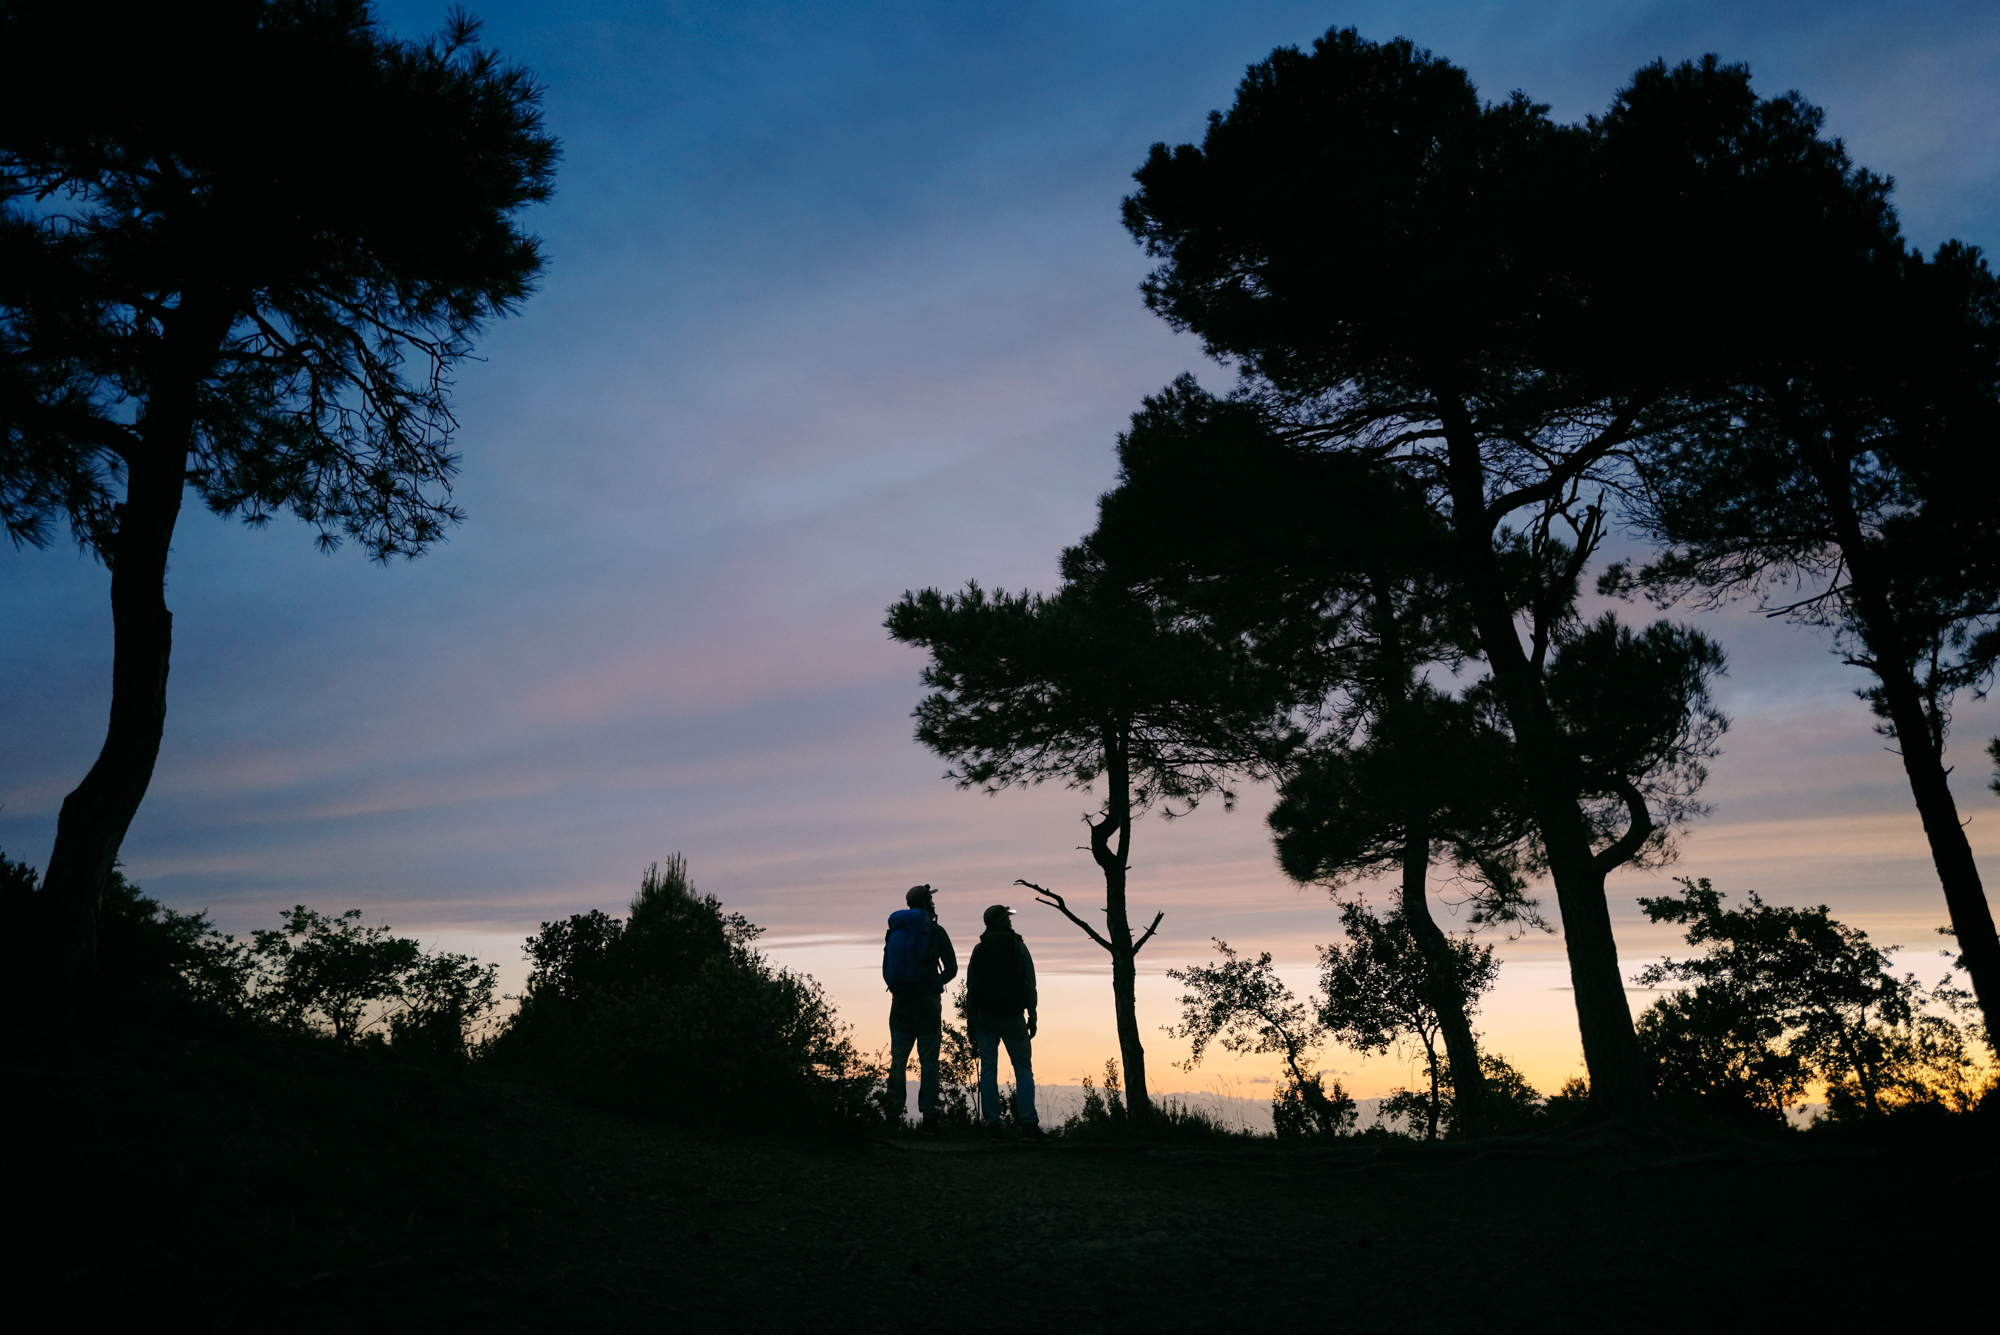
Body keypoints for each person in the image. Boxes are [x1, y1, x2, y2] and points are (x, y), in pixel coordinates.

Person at [965, 903, 1046, 1141]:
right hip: (1013, 1016)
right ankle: (1029, 1126)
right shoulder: (1018, 946)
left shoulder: (979, 949)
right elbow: (1030, 983)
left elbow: (971, 987)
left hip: (985, 1016)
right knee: (1023, 1069)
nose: (1011, 920)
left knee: (988, 1070)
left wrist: (971, 1020)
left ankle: (993, 1127)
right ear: (1002, 921)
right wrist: (1032, 1015)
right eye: (1008, 917)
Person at [883, 884, 956, 1129]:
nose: (933, 903)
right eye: (931, 900)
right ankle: (930, 1118)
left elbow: (886, 970)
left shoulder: (894, 931)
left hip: (900, 1003)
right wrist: (935, 983)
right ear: (925, 903)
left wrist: (899, 989)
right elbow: (952, 968)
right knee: (928, 1061)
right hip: (927, 1003)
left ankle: (892, 1115)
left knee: (898, 1060)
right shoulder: (935, 931)